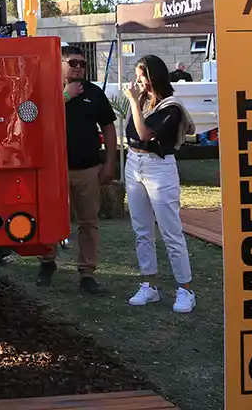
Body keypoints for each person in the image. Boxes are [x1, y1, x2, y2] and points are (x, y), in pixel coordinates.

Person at [37, 45, 117, 294]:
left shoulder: (94, 92)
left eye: (83, 64)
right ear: (59, 64)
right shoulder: (45, 88)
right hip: (53, 170)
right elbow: (37, 119)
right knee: (49, 217)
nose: (80, 68)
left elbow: (109, 127)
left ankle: (87, 273)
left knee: (88, 221)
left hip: (87, 168)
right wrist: (66, 96)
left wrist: (109, 163)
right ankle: (47, 263)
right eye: (73, 63)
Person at [123, 54, 196, 314]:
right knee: (142, 229)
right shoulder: (142, 101)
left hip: (159, 167)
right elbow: (132, 135)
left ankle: (185, 289)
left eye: (142, 76)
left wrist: (132, 101)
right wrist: (136, 101)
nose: (137, 81)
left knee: (170, 230)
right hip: (134, 163)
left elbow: (144, 133)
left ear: (153, 77)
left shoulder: (171, 107)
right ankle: (149, 284)